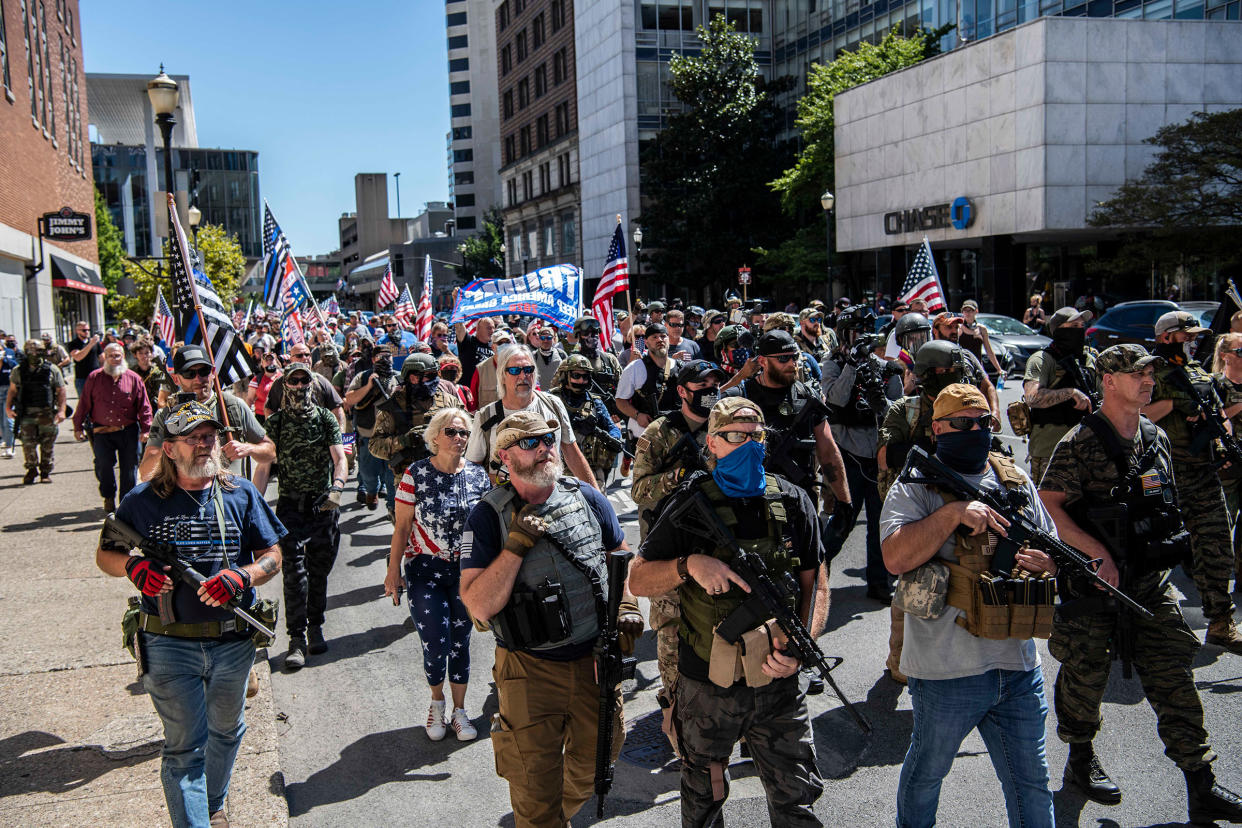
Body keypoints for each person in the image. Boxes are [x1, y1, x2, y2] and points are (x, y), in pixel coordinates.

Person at [1037, 343, 1242, 823]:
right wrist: (1097, 554)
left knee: (1176, 680)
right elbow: (1049, 505)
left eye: (1149, 373)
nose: (1148, 380)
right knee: (1083, 682)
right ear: (1109, 381)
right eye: (1137, 374)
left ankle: (1201, 784)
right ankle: (1081, 763)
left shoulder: (1154, 436)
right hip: (1096, 587)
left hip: (1149, 585)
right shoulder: (1080, 441)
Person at [629, 397, 826, 826]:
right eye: (736, 435)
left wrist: (799, 644)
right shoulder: (688, 505)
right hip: (707, 685)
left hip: (779, 682)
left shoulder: (792, 500)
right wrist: (690, 566)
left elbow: (816, 582)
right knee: (704, 798)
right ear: (713, 444)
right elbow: (639, 579)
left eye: (756, 434)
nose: (749, 443)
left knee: (797, 798)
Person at [95, 400, 284, 828]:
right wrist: (133, 566)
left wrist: (244, 577)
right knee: (184, 747)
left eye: (210, 436)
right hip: (167, 642)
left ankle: (211, 804)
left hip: (232, 641)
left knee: (228, 731)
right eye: (194, 438)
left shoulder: (240, 492)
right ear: (169, 449)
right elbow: (106, 552)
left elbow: (272, 554)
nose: (205, 445)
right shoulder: (143, 500)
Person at [880, 383, 1058, 828]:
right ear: (938, 428)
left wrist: (1048, 560)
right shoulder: (916, 486)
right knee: (927, 776)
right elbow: (895, 557)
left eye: (984, 423)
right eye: (963, 423)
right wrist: (952, 514)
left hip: (1017, 665)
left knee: (1031, 783)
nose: (976, 430)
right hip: (945, 673)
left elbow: (1051, 541)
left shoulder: (1014, 478)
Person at [459, 411, 642, 827]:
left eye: (548, 439)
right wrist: (516, 546)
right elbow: (478, 605)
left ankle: (551, 815)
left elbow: (620, 558)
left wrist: (627, 604)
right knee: (532, 784)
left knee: (596, 765)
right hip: (529, 672)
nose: (544, 448)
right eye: (530, 443)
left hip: (594, 663)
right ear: (505, 456)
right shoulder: (488, 518)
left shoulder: (588, 498)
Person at [384, 408, 491, 741]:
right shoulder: (414, 474)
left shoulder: (478, 475)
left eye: (463, 433)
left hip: (465, 573)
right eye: (451, 432)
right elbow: (402, 528)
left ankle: (460, 712)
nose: (458, 438)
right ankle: (437, 703)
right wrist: (392, 574)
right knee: (435, 642)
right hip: (424, 570)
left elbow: (487, 528)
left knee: (461, 643)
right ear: (434, 437)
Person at [630, 358, 725, 721]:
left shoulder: (723, 427)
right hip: (668, 551)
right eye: (701, 387)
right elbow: (640, 490)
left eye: (714, 387)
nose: (709, 394)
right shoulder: (659, 432)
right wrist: (680, 475)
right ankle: (674, 710)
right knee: (672, 639)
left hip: (714, 547)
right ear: (682, 391)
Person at [1144, 310, 1242, 652]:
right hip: (1163, 475)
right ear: (1166, 336)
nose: (1193, 340)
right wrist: (1173, 403)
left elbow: (1219, 413)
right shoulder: (1147, 371)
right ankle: (1144, 626)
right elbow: (1137, 414)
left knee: (1216, 545)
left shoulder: (1199, 371)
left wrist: (1224, 440)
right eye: (1186, 335)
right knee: (1152, 552)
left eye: (1195, 336)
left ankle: (1220, 622)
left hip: (1203, 472)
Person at [265, 363, 347, 670]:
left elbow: (340, 458)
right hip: (290, 506)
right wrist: (255, 502)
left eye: (304, 380)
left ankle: (316, 626)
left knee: (319, 569)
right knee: (294, 575)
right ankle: (296, 637)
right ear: (286, 386)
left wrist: (337, 487)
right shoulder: (277, 422)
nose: (300, 385)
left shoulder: (325, 418)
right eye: (294, 380)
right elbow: (264, 462)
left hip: (322, 505)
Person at [823, 306, 903, 602]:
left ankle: (879, 581)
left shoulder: (885, 367)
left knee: (879, 522)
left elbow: (897, 411)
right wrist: (852, 366)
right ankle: (818, 573)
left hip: (879, 456)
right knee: (843, 519)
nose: (860, 338)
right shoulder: (833, 363)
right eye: (855, 331)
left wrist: (881, 402)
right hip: (848, 456)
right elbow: (835, 399)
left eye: (864, 331)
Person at [722, 329, 851, 512]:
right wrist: (740, 377)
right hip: (752, 499)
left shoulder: (806, 396)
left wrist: (844, 502)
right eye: (783, 358)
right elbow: (707, 408)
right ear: (762, 361)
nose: (792, 364)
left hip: (800, 499)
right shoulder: (742, 395)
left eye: (795, 357)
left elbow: (828, 450)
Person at [466, 345, 600, 489]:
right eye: (515, 370)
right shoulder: (486, 416)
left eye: (528, 369)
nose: (523, 376)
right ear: (502, 376)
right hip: (504, 502)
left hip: (550, 497)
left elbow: (573, 454)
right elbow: (472, 469)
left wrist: (597, 497)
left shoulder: (553, 404)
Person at [141, 346, 275, 489]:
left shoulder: (233, 406)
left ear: (213, 373)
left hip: (229, 499)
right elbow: (145, 472)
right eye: (189, 373)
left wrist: (248, 448)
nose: (198, 379)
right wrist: (176, 445)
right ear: (175, 379)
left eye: (204, 371)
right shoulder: (166, 416)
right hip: (184, 503)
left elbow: (270, 451)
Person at [369, 352, 464, 518]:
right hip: (409, 479)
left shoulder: (448, 401)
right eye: (430, 376)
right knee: (407, 531)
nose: (436, 380)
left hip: (446, 474)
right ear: (412, 378)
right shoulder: (394, 407)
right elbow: (375, 446)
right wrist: (405, 440)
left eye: (437, 375)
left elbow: (467, 429)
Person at [1022, 307, 1098, 486]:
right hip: (1051, 450)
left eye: (1082, 325)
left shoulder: (1089, 359)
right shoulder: (1042, 359)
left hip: (1088, 449)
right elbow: (1032, 397)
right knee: (1050, 509)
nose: (1079, 330)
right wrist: (1070, 393)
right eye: (1073, 325)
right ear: (1059, 330)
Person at [73, 342, 153, 512]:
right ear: (105, 358)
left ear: (123, 356)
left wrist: (146, 429)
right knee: (103, 466)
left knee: (129, 468)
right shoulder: (94, 378)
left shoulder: (133, 378)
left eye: (117, 355)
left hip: (128, 431)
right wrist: (77, 426)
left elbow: (144, 406)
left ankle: (125, 503)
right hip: (102, 432)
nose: (114, 359)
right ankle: (108, 497)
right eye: (111, 356)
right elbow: (84, 403)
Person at [548, 354, 622, 487]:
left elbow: (612, 428)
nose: (581, 380)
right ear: (565, 376)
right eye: (576, 376)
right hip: (558, 470)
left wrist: (610, 437)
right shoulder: (551, 400)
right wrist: (572, 425)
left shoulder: (595, 403)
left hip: (589, 470)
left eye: (585, 376)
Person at [343, 343, 399, 509]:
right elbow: (349, 399)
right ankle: (371, 490)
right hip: (368, 433)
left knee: (392, 476)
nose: (385, 360)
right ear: (374, 359)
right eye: (381, 357)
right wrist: (369, 386)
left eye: (388, 356)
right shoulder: (362, 376)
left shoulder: (398, 377)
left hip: (393, 436)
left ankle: (392, 506)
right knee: (368, 472)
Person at [5, 339, 66, 484]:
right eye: (31, 351)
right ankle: (31, 469)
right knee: (28, 444)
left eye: (37, 351)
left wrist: (62, 410)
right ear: (26, 352)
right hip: (26, 414)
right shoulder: (18, 370)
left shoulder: (52, 369)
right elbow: (12, 391)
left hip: (47, 413)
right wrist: (8, 408)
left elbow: (61, 391)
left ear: (43, 351)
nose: (34, 354)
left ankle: (45, 472)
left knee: (47, 444)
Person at [263, 342, 345, 431]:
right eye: (299, 356)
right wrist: (273, 434)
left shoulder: (320, 381)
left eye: (307, 355)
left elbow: (337, 409)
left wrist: (340, 435)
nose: (305, 358)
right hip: (288, 440)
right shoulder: (280, 382)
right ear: (291, 359)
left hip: (317, 439)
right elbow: (269, 409)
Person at [1213, 332, 1242, 562]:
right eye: (1239, 352)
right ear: (1225, 356)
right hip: (1229, 460)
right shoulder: (1215, 384)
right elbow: (1215, 419)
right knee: (1225, 517)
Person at [958, 300, 1005, 383]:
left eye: (970, 310)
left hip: (978, 366)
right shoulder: (959, 328)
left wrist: (999, 369)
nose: (968, 313)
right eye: (965, 310)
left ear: (976, 311)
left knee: (986, 389)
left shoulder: (981, 329)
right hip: (963, 366)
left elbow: (989, 351)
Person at [454, 313, 496, 388]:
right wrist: (457, 304)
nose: (492, 331)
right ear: (478, 329)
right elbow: (459, 325)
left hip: (486, 392)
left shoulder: (495, 347)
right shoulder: (468, 342)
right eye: (489, 328)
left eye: (493, 328)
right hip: (468, 391)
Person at [130, 336, 171, 411]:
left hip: (156, 408)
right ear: (135, 355)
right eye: (140, 353)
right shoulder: (131, 373)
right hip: (137, 408)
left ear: (151, 353)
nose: (144, 356)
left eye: (147, 353)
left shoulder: (159, 371)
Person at [67, 320, 102, 399]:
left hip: (96, 377)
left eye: (88, 330)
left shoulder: (95, 343)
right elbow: (78, 357)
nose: (87, 332)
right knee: (85, 403)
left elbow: (102, 358)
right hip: (82, 378)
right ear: (77, 331)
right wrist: (90, 344)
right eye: (84, 330)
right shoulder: (73, 344)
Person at [246, 351, 282, 424]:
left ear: (276, 362)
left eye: (271, 359)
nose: (269, 362)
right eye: (266, 360)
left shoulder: (284, 378)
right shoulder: (257, 380)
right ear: (262, 364)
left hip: (280, 416)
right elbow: (250, 399)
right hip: (261, 417)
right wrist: (247, 418)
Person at [530, 324, 565, 390]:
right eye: (542, 338)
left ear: (554, 339)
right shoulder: (533, 356)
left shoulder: (561, 354)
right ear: (539, 339)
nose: (545, 341)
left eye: (549, 338)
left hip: (557, 394)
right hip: (540, 394)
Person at [0, 333, 18, 458]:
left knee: (8, 419)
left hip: (7, 388)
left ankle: (10, 446)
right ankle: (4, 441)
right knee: (1, 420)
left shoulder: (9, 351)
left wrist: (4, 358)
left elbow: (15, 366)